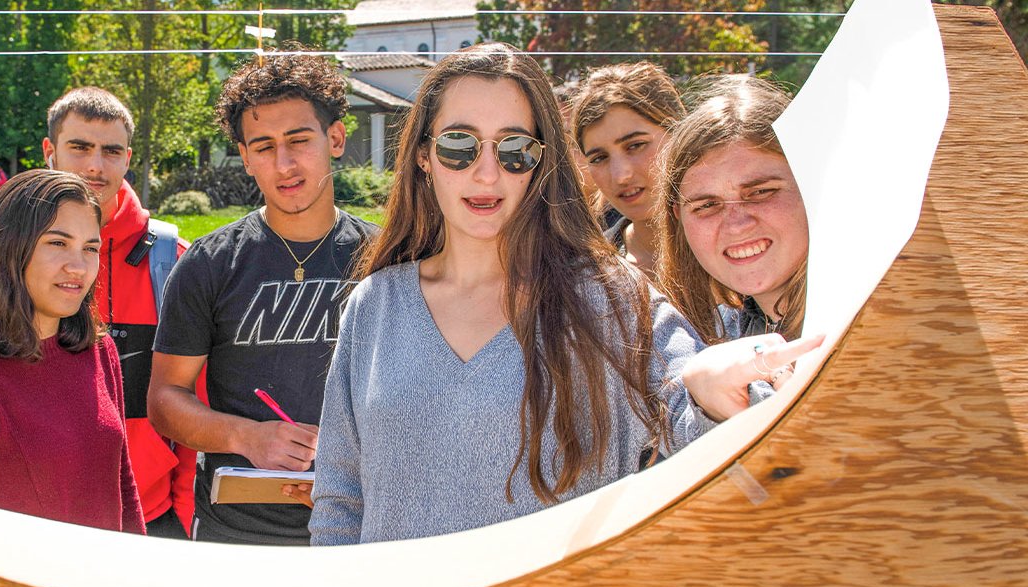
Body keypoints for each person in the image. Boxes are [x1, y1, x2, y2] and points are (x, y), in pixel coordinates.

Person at [307, 43, 818, 546]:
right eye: (459, 146)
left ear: (541, 162)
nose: (486, 172)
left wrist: (712, 395)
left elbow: (694, 429)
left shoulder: (609, 297)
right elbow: (340, 498)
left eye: (514, 150)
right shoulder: (375, 304)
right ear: (424, 155)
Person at [148, 51, 378, 545]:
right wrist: (245, 436)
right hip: (238, 534)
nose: (285, 164)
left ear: (336, 138)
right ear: (246, 156)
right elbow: (165, 400)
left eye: (299, 140)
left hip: (363, 525)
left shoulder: (387, 260)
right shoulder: (209, 264)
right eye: (264, 147)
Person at [0, 169, 145, 534]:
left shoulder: (100, 349)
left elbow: (122, 485)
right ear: (10, 248)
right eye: (57, 243)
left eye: (90, 248)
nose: (78, 267)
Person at [42, 87, 197, 539]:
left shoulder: (172, 261)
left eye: (111, 151)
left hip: (150, 514)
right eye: (80, 148)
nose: (95, 166)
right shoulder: (15, 257)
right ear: (50, 152)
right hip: (42, 515)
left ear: (128, 158)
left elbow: (198, 397)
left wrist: (184, 515)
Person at [654, 75, 808, 350]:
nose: (737, 225)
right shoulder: (704, 340)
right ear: (679, 218)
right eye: (707, 206)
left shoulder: (872, 322)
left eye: (761, 192)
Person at [571, 62, 685, 278]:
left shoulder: (740, 247)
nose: (621, 176)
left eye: (635, 145)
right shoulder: (585, 277)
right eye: (599, 158)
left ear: (679, 133)